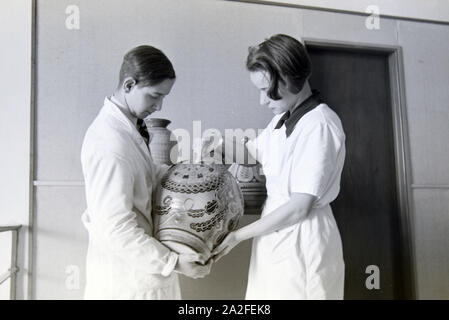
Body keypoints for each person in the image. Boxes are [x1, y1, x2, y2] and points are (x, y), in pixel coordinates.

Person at [212, 34, 346, 299]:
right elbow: (255, 154)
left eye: (265, 90)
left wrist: (237, 236)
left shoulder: (319, 125)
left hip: (303, 237)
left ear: (286, 79)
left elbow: (299, 207)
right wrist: (218, 143)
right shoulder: (281, 120)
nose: (262, 101)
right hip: (276, 233)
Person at [80, 45, 211, 300]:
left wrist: (191, 170)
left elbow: (146, 174)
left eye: (164, 97)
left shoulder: (128, 129)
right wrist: (173, 262)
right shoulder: (110, 143)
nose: (159, 106)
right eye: (154, 96)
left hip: (139, 277)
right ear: (129, 85)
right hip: (126, 283)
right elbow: (115, 227)